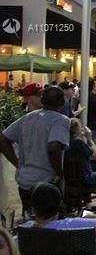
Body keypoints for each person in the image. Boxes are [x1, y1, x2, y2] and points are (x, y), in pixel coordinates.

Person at [0, 86, 69, 216]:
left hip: (25, 181)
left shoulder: (27, 118)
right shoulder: (60, 120)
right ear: (62, 102)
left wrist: (17, 163)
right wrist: (59, 173)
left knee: (30, 220)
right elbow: (54, 146)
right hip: (47, 182)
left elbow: (3, 139)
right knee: (50, 224)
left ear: (42, 100)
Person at [66, 118, 96, 188]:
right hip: (86, 177)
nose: (82, 129)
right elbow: (95, 155)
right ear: (75, 129)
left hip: (71, 179)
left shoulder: (66, 141)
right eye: (80, 127)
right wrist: (89, 139)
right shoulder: (78, 142)